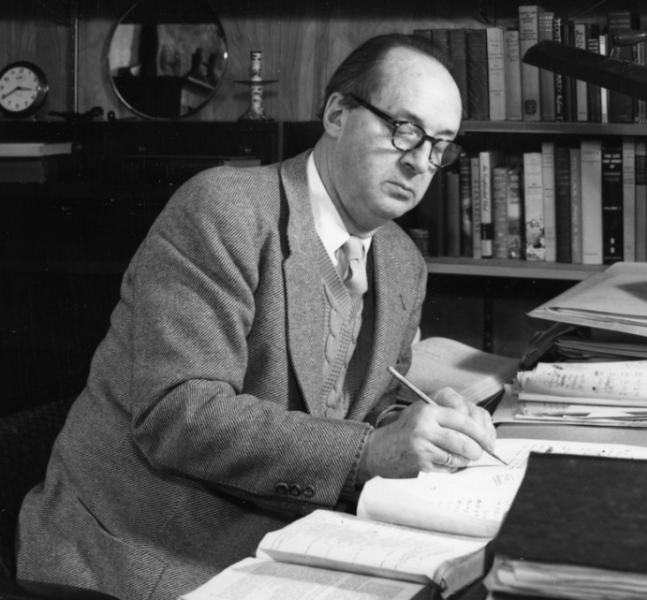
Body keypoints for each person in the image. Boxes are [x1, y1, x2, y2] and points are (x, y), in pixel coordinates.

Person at [17, 33, 497, 600]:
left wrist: (420, 424)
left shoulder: (401, 260)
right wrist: (369, 451)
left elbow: (364, 401)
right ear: (338, 113)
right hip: (139, 547)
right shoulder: (224, 209)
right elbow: (180, 414)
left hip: (292, 532)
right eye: (404, 129)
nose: (421, 162)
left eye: (440, 144)